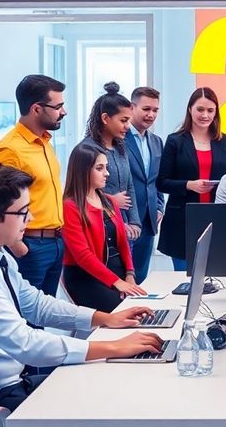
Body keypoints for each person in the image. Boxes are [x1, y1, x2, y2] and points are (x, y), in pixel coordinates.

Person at [0, 162, 163, 414]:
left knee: (98, 387)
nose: (30, 219)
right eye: (23, 212)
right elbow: (24, 343)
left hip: (0, 385)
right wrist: (114, 347)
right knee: (94, 405)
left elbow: (34, 304)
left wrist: (105, 319)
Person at [0, 74, 67, 296]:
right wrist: (17, 246)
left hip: (54, 242)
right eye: (58, 106)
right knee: (28, 319)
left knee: (47, 310)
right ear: (36, 109)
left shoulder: (43, 141)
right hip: (30, 245)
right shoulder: (10, 150)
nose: (63, 111)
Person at [157, 87, 226, 272]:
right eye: (200, 109)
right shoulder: (175, 141)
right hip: (181, 222)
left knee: (215, 279)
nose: (205, 115)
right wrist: (189, 185)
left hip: (216, 219)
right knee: (184, 280)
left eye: (210, 110)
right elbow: (161, 182)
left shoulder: (225, 141)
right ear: (190, 110)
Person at [61, 141, 147, 312]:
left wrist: (130, 275)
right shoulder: (69, 206)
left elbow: (123, 243)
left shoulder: (109, 201)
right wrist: (117, 283)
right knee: (128, 312)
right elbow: (83, 256)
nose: (106, 173)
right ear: (82, 171)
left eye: (106, 167)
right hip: (87, 277)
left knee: (146, 307)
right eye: (99, 168)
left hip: (118, 274)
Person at [85, 82, 141, 244]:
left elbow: (129, 187)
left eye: (129, 120)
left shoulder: (121, 148)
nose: (128, 126)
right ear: (105, 118)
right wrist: (111, 201)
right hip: (100, 230)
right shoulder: (87, 150)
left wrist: (134, 222)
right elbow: (82, 193)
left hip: (124, 229)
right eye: (123, 120)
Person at [125, 86, 165, 284]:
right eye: (146, 109)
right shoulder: (117, 139)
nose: (151, 115)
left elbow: (156, 179)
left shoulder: (157, 142)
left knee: (141, 278)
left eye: (155, 110)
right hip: (124, 220)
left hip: (149, 221)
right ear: (132, 107)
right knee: (123, 278)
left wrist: (159, 206)